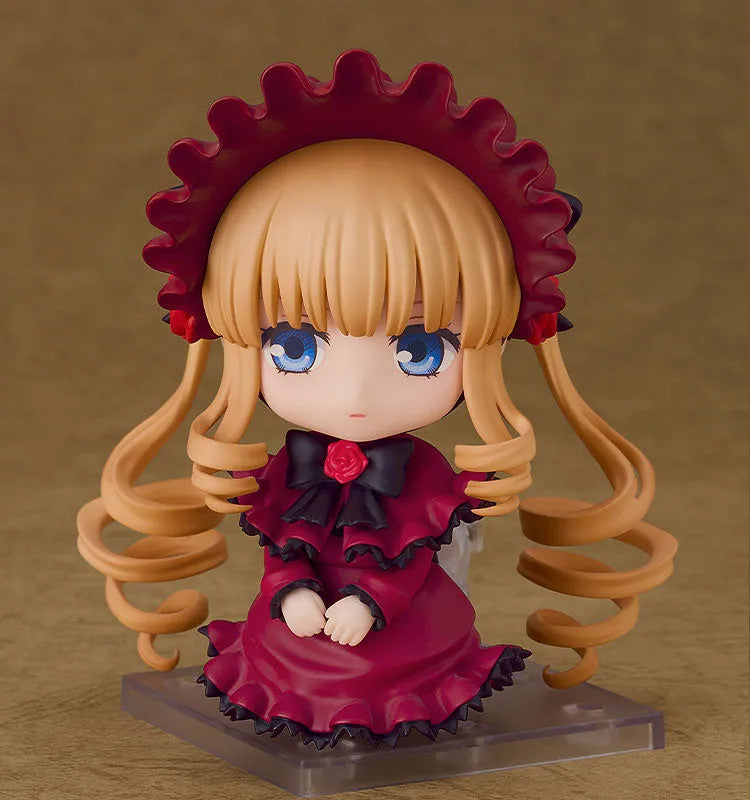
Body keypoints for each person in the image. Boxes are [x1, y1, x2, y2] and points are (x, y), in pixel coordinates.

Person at [77, 50, 676, 749]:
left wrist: (368, 600)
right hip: (296, 632)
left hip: (402, 628)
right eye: (295, 345)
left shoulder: (422, 475)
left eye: (419, 348)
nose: (355, 393)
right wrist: (293, 590)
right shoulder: (288, 469)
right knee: (291, 648)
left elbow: (416, 560)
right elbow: (280, 544)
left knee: (393, 662)